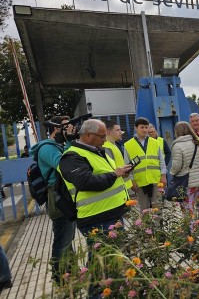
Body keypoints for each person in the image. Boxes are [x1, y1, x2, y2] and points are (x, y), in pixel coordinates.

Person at [58, 119, 132, 298]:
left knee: (109, 262)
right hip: (96, 219)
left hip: (111, 214)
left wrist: (119, 172)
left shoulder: (97, 151)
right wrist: (115, 174)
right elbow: (86, 182)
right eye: (101, 136)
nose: (104, 140)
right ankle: (96, 295)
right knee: (101, 264)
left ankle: (109, 292)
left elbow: (103, 174)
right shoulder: (71, 157)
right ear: (88, 135)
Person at [29, 116, 76, 285]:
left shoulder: (59, 146)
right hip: (57, 197)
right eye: (66, 128)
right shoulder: (47, 148)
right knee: (62, 240)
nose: (70, 130)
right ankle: (60, 278)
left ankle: (71, 272)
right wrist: (70, 143)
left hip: (65, 195)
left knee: (68, 238)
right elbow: (63, 165)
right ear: (56, 129)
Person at [124, 117, 167, 210]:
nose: (144, 130)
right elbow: (128, 165)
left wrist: (163, 176)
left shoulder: (155, 143)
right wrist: (132, 181)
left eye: (146, 127)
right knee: (144, 209)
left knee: (158, 207)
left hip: (156, 179)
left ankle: (158, 225)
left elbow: (161, 160)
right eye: (142, 127)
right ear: (136, 128)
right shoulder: (128, 145)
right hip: (140, 181)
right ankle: (146, 225)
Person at [170, 122, 199, 215]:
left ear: (177, 132)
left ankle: (192, 228)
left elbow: (176, 166)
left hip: (187, 182)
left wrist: (172, 173)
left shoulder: (177, 146)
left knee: (188, 208)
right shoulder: (197, 142)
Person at [103, 120, 133, 194]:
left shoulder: (114, 145)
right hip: (118, 188)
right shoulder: (106, 147)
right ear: (108, 132)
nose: (121, 132)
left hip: (123, 185)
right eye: (117, 130)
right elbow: (110, 171)